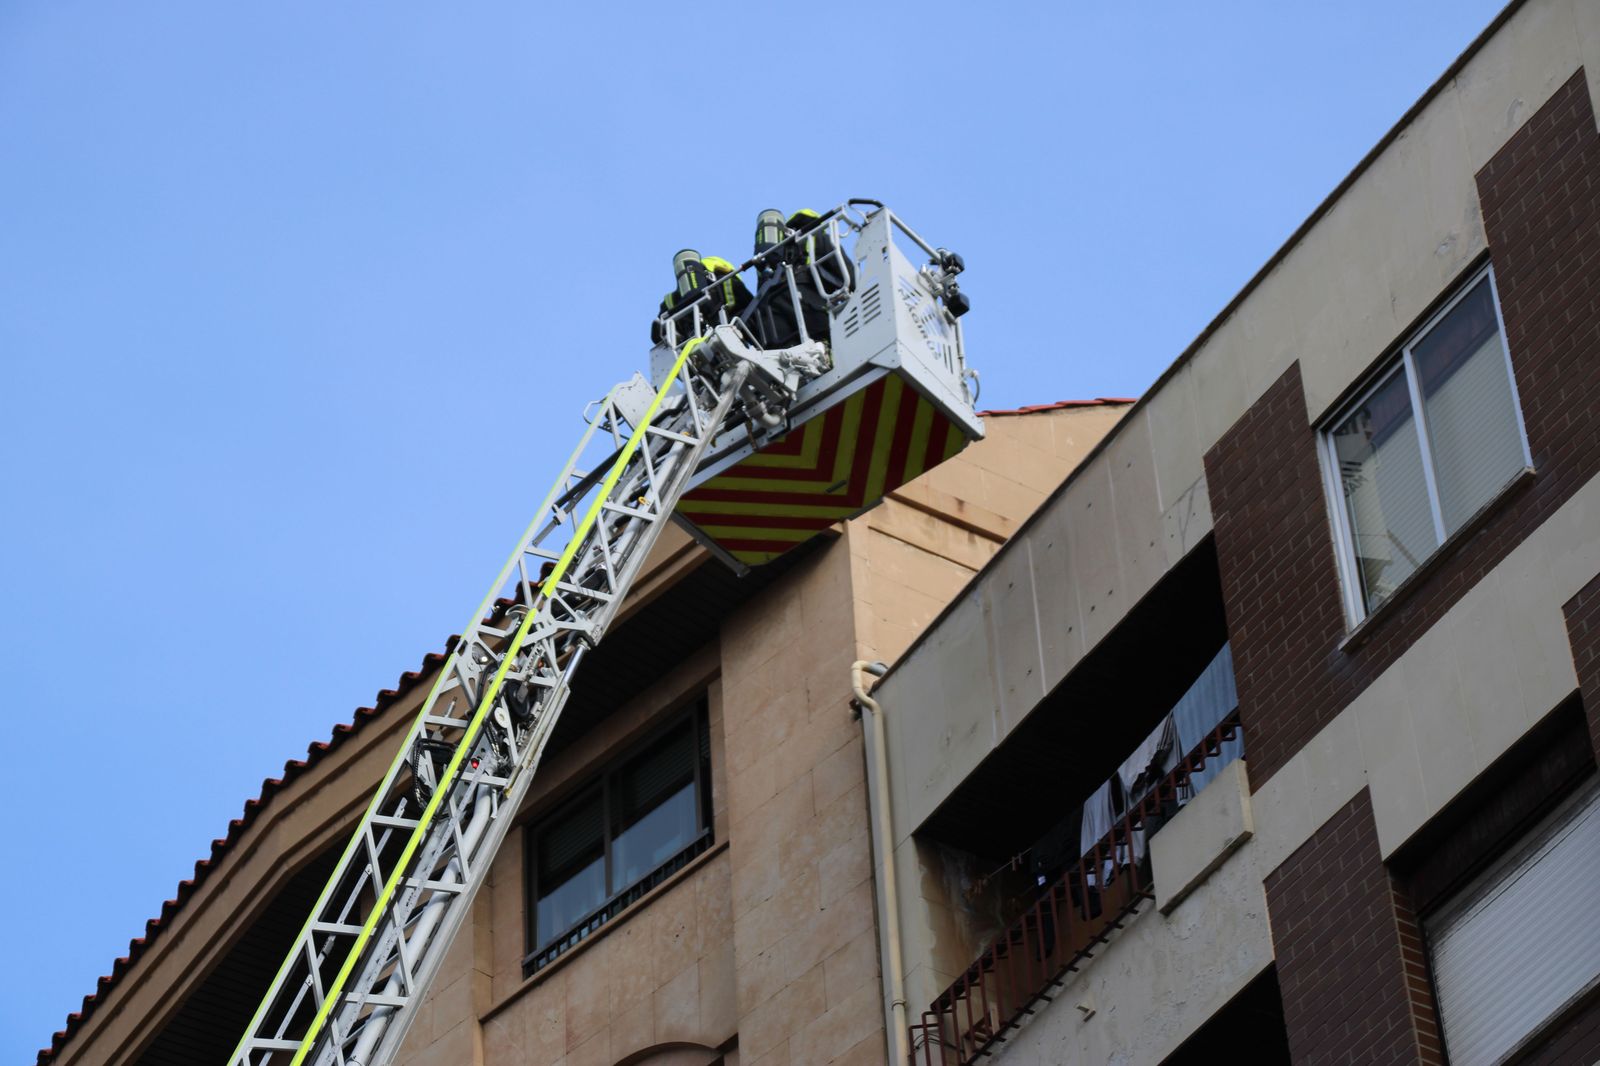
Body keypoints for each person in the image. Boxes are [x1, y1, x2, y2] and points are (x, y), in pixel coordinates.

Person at [651, 248, 752, 344]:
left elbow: (658, 328)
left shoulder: (674, 299)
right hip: (713, 320)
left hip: (703, 324)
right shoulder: (728, 285)